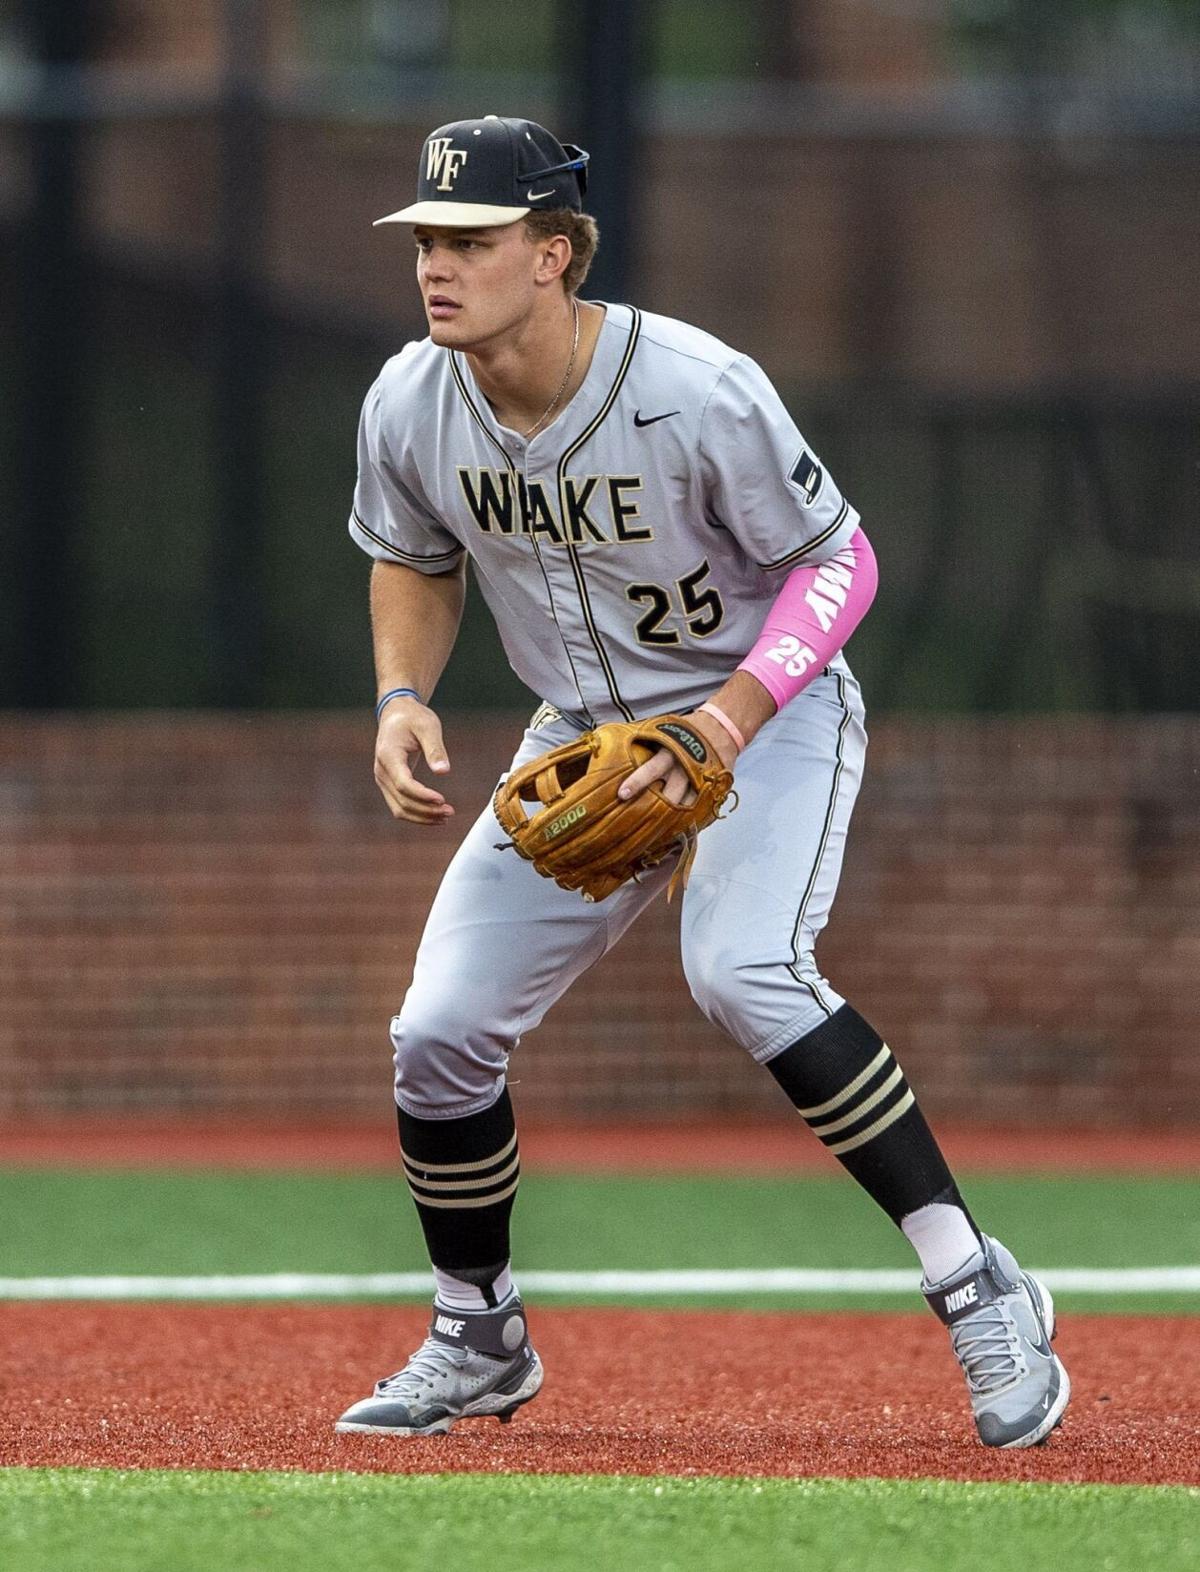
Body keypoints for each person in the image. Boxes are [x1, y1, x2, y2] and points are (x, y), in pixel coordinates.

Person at [334, 115, 1069, 1449]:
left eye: (472, 240)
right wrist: (399, 698)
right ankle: (475, 1333)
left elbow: (840, 565)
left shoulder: (694, 385)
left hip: (763, 711)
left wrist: (727, 725)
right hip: (584, 734)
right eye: (426, 240)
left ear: (552, 254)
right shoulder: (408, 398)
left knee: (743, 971)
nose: (436, 264)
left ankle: (977, 1280)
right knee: (437, 1033)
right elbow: (411, 555)